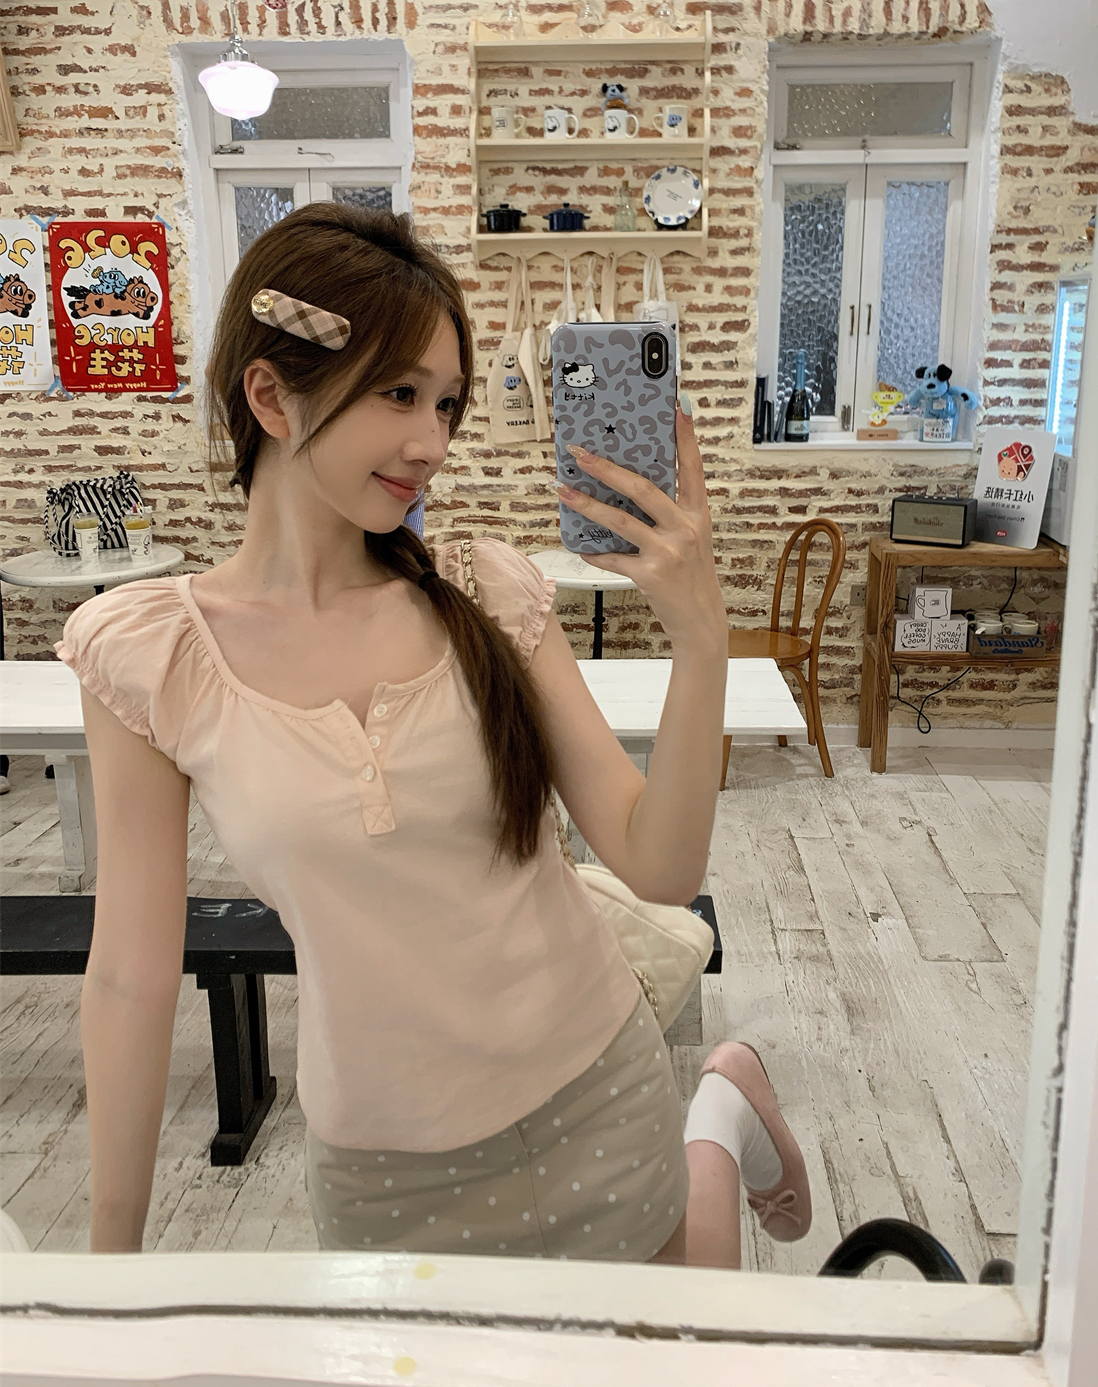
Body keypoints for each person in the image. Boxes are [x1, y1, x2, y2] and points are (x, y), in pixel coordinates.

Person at [59, 204, 811, 1267]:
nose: (434, 443)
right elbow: (130, 980)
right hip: (385, 1174)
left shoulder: (484, 593)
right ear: (270, 396)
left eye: (448, 402)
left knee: (681, 1339)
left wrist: (702, 638)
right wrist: (110, 1274)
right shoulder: (154, 654)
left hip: (597, 1092)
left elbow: (659, 865)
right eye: (399, 394)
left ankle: (719, 1114)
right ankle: (724, 1108)